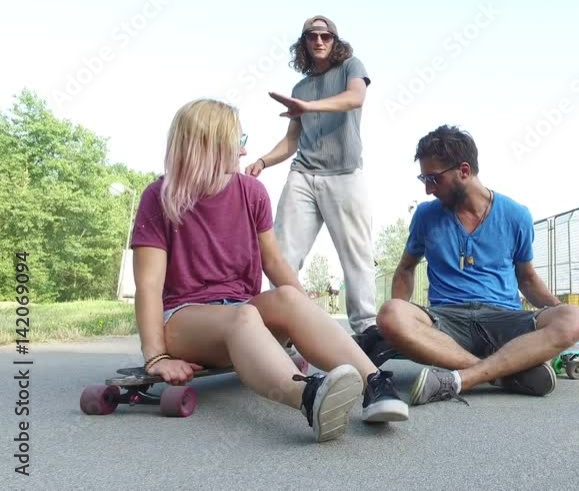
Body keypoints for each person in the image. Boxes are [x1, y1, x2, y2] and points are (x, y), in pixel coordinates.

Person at [131, 98, 407, 443]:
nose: (245, 151)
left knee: (287, 298)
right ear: (210, 146)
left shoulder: (252, 192)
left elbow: (274, 263)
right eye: (238, 140)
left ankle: (375, 384)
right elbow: (148, 284)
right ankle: (309, 398)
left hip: (241, 311)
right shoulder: (159, 197)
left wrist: (303, 313)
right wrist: (155, 355)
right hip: (185, 320)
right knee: (243, 318)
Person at [376, 125, 579, 406]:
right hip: (446, 322)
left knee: (572, 318)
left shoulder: (516, 215)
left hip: (503, 319)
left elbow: (526, 279)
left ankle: (462, 378)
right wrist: (401, 321)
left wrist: (560, 306)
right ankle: (503, 374)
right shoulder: (425, 216)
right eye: (424, 178)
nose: (428, 189)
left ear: (464, 171)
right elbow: (406, 269)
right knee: (391, 314)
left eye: (433, 179)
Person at [245, 15, 378, 339]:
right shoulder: (300, 88)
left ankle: (367, 329)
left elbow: (355, 98)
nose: (319, 41)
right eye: (312, 36)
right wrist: (263, 161)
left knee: (356, 255)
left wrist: (308, 105)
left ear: (335, 40)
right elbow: (292, 140)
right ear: (303, 43)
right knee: (282, 254)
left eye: (326, 36)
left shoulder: (350, 67)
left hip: (344, 174)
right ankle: (285, 328)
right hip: (303, 174)